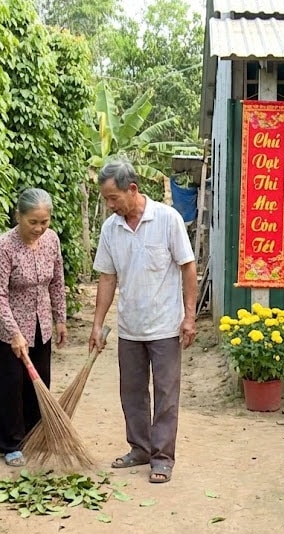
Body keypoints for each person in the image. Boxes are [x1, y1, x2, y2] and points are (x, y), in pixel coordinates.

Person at [88, 159, 197, 484]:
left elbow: (188, 267)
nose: (109, 206)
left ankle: (162, 458)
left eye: (113, 198)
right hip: (130, 328)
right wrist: (97, 323)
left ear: (132, 189)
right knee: (132, 392)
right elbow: (107, 278)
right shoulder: (111, 229)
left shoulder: (167, 219)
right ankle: (140, 448)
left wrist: (189, 317)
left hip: (165, 326)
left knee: (165, 394)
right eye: (106, 199)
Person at [0, 188, 68, 467]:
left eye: (44, 222)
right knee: (10, 384)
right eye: (33, 222)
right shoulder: (5, 246)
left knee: (39, 380)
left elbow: (57, 282)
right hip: (7, 327)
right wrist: (14, 333)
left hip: (40, 322)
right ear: (18, 216)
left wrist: (61, 320)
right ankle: (10, 443)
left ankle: (35, 435)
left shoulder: (51, 241)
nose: (39, 228)